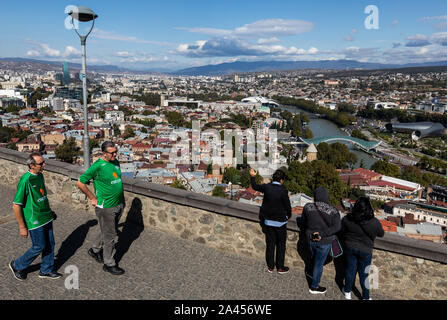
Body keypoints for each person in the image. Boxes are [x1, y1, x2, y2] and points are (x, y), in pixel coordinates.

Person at [9, 152, 62, 281]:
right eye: (41, 163)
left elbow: (41, 196)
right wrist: (22, 226)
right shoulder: (25, 180)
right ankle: (17, 265)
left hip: (46, 216)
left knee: (50, 243)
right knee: (39, 246)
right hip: (34, 219)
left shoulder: (40, 176)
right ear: (32, 165)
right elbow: (16, 205)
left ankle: (46, 269)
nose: (44, 165)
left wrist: (49, 212)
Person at [77, 141, 125, 275]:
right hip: (106, 207)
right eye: (112, 153)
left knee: (107, 229)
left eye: (116, 152)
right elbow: (80, 182)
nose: (115, 154)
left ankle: (95, 249)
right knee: (110, 236)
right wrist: (92, 197)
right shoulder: (98, 166)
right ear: (104, 154)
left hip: (119, 203)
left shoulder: (115, 162)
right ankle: (109, 263)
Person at [341, 196, 384, 300]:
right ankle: (366, 297)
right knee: (364, 274)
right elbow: (381, 234)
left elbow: (342, 231)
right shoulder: (374, 222)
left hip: (350, 247)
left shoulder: (347, 219)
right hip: (365, 250)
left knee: (350, 270)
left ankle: (347, 292)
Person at [250, 168, 291, 274]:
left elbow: (255, 187)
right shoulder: (283, 190)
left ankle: (271, 266)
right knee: (281, 245)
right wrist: (289, 216)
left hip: (268, 221)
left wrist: (253, 176)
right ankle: (280, 267)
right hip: (280, 222)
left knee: (270, 244)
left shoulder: (267, 187)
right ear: (282, 180)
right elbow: (287, 206)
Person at [301, 186, 341, 294]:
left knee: (313, 257)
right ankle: (314, 286)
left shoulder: (307, 207)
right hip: (324, 240)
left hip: (310, 237)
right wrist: (322, 234)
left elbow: (303, 221)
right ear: (326, 197)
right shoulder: (333, 210)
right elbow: (337, 227)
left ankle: (311, 273)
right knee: (319, 263)